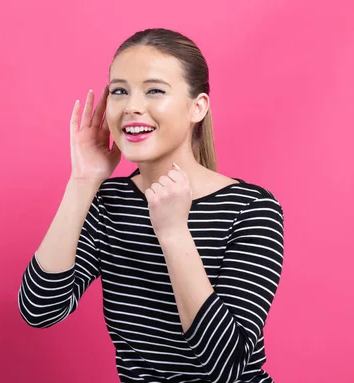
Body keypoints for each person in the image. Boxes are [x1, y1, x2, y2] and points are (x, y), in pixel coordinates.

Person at [17, 28, 285, 383]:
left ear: (197, 107)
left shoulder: (251, 209)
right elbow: (40, 309)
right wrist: (83, 182)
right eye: (120, 91)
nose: (132, 107)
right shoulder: (109, 205)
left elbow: (225, 366)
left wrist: (174, 232)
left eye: (154, 90)